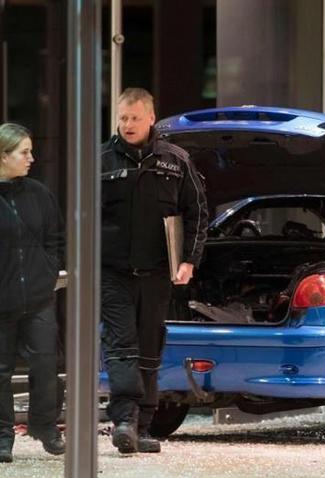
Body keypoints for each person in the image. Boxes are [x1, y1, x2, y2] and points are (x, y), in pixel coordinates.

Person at [100, 88, 207, 454]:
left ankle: (143, 426)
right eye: (122, 117)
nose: (127, 124)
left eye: (134, 117)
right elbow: (80, 214)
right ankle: (124, 420)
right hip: (112, 272)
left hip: (157, 273)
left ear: (150, 119)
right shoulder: (100, 160)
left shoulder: (176, 161)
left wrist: (189, 260)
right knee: (121, 346)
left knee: (149, 349)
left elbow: (197, 213)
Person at [0, 123, 65, 462]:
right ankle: (0, 439)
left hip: (37, 298)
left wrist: (47, 271)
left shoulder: (39, 193)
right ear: (4, 156)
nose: (31, 158)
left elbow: (56, 238)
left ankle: (46, 426)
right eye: (24, 152)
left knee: (47, 364)